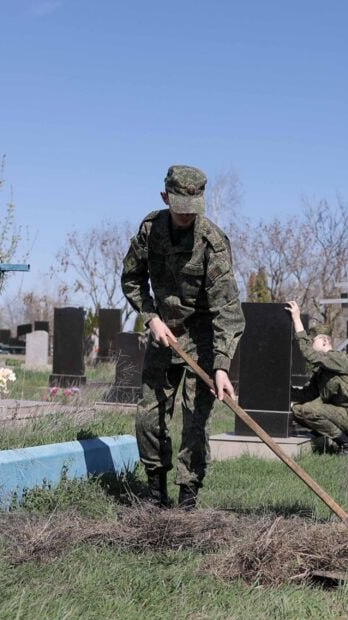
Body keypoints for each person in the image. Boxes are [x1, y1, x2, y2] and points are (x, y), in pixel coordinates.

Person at [121, 165, 245, 510]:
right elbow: (131, 279)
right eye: (180, 207)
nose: (187, 215)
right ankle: (156, 494)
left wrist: (221, 366)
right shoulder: (150, 230)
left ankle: (188, 498)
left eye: (194, 208)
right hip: (164, 333)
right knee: (149, 414)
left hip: (202, 336)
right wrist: (151, 318)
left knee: (195, 420)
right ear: (165, 198)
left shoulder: (212, 242)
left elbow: (228, 310)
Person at [285, 300, 348, 456]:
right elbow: (308, 394)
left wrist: (296, 319)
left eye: (312, 340)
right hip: (339, 415)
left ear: (324, 340)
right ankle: (341, 437)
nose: (310, 344)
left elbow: (309, 355)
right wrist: (283, 391)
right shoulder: (323, 369)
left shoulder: (339, 359)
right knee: (297, 410)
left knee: (309, 410)